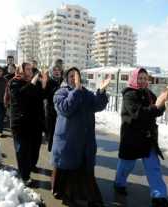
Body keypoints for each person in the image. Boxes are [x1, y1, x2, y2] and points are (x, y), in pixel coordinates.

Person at [114, 68, 168, 207]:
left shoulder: (148, 93)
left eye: (145, 78)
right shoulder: (129, 94)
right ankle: (119, 184)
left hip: (148, 138)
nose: (142, 81)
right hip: (132, 138)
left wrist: (162, 103)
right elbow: (138, 114)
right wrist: (157, 105)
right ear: (134, 79)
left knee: (154, 167)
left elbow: (156, 111)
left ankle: (159, 197)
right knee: (126, 165)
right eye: (140, 78)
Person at [51, 67, 110, 207]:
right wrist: (76, 90)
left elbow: (98, 105)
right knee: (67, 169)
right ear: (66, 79)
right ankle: (67, 195)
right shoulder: (60, 93)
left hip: (85, 141)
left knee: (85, 170)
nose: (74, 78)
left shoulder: (86, 93)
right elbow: (66, 109)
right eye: (71, 76)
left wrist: (101, 91)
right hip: (68, 140)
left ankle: (90, 198)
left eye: (76, 76)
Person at [9, 63, 47, 186]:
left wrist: (44, 83)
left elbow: (41, 97)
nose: (31, 71)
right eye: (28, 69)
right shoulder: (14, 82)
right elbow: (20, 97)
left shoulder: (34, 83)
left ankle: (31, 166)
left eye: (31, 69)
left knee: (34, 148)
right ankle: (24, 176)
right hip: (20, 123)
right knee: (22, 150)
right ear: (21, 70)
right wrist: (32, 83)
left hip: (35, 123)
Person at [44, 59, 64, 152]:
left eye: (58, 70)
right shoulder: (48, 81)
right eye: (55, 70)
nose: (57, 72)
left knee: (60, 130)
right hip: (51, 110)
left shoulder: (63, 81)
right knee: (51, 130)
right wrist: (57, 89)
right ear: (52, 71)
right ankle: (51, 148)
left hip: (61, 111)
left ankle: (58, 147)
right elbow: (46, 95)